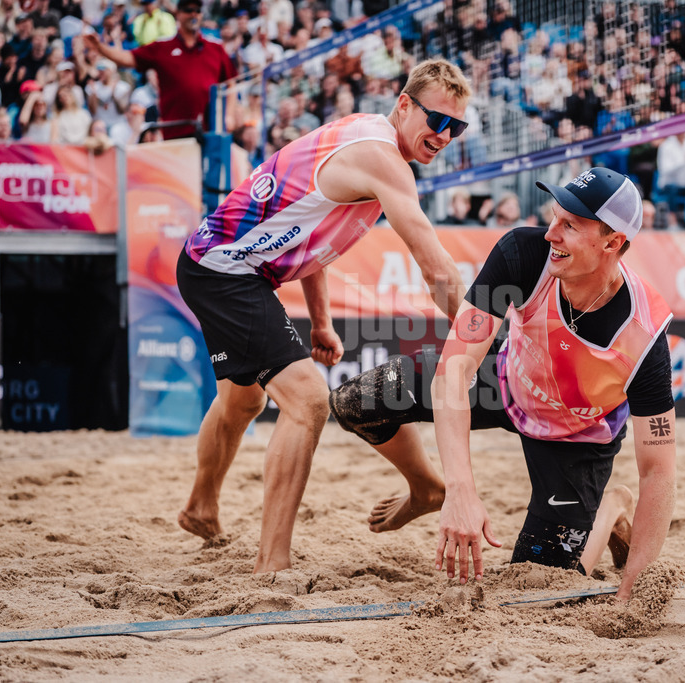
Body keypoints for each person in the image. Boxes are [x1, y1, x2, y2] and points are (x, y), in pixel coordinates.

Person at [174, 59, 473, 574]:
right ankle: (272, 566)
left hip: (225, 264)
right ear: (404, 105)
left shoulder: (365, 139)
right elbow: (438, 271)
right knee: (309, 401)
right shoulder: (382, 160)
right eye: (437, 120)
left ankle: (201, 505)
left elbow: (309, 229)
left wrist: (320, 321)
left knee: (241, 400)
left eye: (457, 127)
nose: (444, 136)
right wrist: (484, 336)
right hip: (224, 269)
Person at [329, 167, 677, 600]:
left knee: (541, 587)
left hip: (576, 435)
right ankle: (427, 487)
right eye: (555, 217)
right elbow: (454, 371)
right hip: (507, 381)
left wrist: (631, 591)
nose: (552, 233)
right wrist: (461, 490)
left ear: (613, 242)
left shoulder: (643, 334)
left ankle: (610, 509)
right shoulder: (523, 254)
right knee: (356, 401)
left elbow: (659, 470)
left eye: (570, 225)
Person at [83, 0, 236, 140]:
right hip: (175, 131)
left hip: (209, 131)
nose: (194, 14)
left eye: (198, 10)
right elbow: (128, 59)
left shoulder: (215, 48)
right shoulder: (163, 47)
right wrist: (100, 47)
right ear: (179, 14)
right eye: (188, 10)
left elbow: (231, 83)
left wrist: (229, 115)